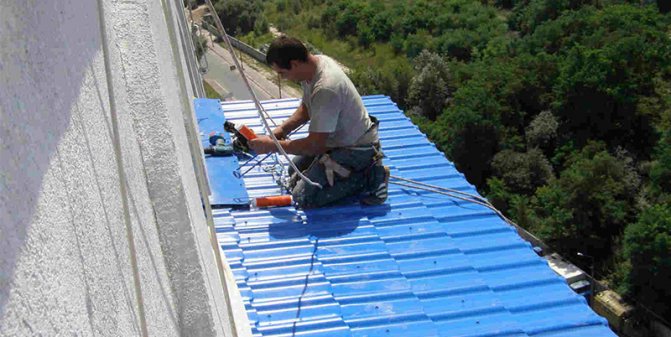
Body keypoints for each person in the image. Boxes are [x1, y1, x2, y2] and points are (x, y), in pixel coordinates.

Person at [249, 36, 388, 208]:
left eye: (282, 73)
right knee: (294, 171)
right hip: (338, 140)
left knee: (304, 197)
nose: (283, 78)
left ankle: (369, 177)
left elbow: (315, 146)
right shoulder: (315, 65)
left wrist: (272, 146)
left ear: (294, 64)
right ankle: (357, 173)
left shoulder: (326, 88)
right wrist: (281, 131)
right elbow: (307, 107)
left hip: (355, 148)